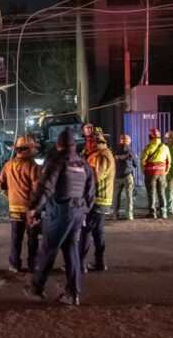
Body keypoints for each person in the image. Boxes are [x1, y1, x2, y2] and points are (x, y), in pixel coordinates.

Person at [25, 130, 95, 306]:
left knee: (48, 250)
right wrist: (83, 209)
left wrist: (33, 208)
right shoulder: (83, 164)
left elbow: (45, 188)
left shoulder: (56, 162)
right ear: (74, 145)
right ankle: (73, 293)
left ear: (59, 145)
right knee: (71, 251)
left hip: (60, 212)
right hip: (78, 213)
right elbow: (91, 192)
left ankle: (36, 288)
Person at [0, 133, 41, 274]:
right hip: (30, 209)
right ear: (27, 149)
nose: (35, 150)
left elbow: (0, 183)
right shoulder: (32, 166)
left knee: (16, 238)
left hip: (14, 208)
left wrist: (9, 195)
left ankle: (14, 264)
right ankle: (33, 265)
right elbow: (37, 189)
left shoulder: (8, 165)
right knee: (33, 239)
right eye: (33, 148)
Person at [81, 128, 114, 272]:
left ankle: (81, 264)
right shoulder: (100, 154)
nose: (86, 144)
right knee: (97, 232)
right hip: (101, 200)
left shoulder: (99, 156)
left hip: (95, 200)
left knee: (85, 231)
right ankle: (100, 262)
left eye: (88, 141)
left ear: (95, 141)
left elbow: (93, 177)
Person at [141, 128, 171, 219]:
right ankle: (163, 213)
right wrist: (165, 172)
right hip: (162, 174)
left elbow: (142, 161)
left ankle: (152, 213)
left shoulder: (148, 147)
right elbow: (169, 161)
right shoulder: (165, 147)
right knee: (161, 193)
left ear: (150, 136)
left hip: (150, 174)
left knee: (151, 193)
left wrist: (145, 172)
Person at [112, 133, 136, 220]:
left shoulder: (114, 151)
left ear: (120, 141)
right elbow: (135, 163)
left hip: (117, 176)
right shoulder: (130, 151)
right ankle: (129, 215)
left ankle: (115, 215)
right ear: (129, 142)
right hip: (127, 176)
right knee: (129, 195)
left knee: (116, 195)